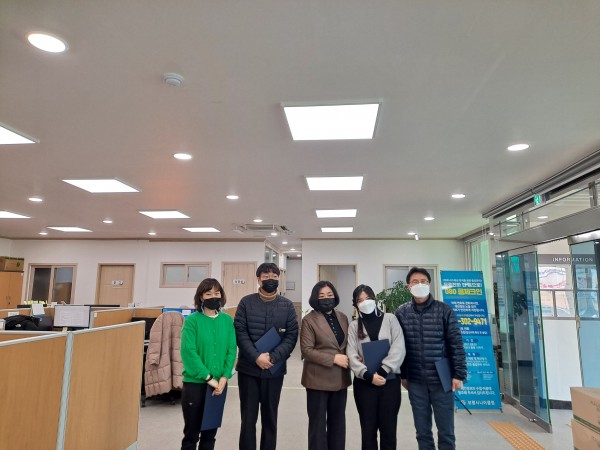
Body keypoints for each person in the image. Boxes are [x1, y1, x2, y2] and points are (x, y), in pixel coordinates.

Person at [395, 267, 467, 450]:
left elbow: (456, 344)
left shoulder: (444, 310)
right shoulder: (401, 312)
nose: (419, 284)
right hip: (416, 379)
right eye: (415, 282)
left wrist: (459, 374)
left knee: (446, 431)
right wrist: (403, 375)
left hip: (441, 379)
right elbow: (398, 346)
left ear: (429, 284)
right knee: (422, 431)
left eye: (423, 281)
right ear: (408, 286)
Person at [234, 262, 299, 450]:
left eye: (274, 277)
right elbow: (240, 332)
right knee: (248, 419)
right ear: (258, 279)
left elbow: (291, 336)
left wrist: (273, 357)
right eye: (266, 277)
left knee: (270, 418)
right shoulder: (246, 303)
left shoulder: (287, 305)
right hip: (248, 370)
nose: (271, 280)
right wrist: (256, 357)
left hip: (274, 370)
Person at [179, 278, 237, 450]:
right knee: (191, 435)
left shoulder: (227, 321)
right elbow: (188, 352)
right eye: (208, 293)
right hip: (195, 385)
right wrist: (208, 378)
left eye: (217, 293)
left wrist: (224, 377)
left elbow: (231, 350)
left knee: (210, 436)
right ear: (201, 297)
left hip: (219, 385)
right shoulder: (192, 321)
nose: (214, 297)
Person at [347, 284, 406, 450]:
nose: (365, 302)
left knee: (389, 431)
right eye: (360, 300)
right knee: (368, 432)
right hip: (365, 384)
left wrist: (383, 370)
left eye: (368, 298)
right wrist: (367, 375)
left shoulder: (390, 319)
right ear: (355, 304)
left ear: (375, 299)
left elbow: (399, 347)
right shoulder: (354, 326)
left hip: (389, 382)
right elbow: (351, 353)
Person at [300, 281, 352, 450]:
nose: (326, 298)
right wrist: (334, 358)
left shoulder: (343, 317)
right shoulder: (309, 320)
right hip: (317, 380)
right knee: (318, 427)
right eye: (321, 296)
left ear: (335, 296)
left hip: (340, 379)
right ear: (315, 299)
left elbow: (347, 344)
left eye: (330, 295)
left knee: (338, 426)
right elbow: (306, 350)